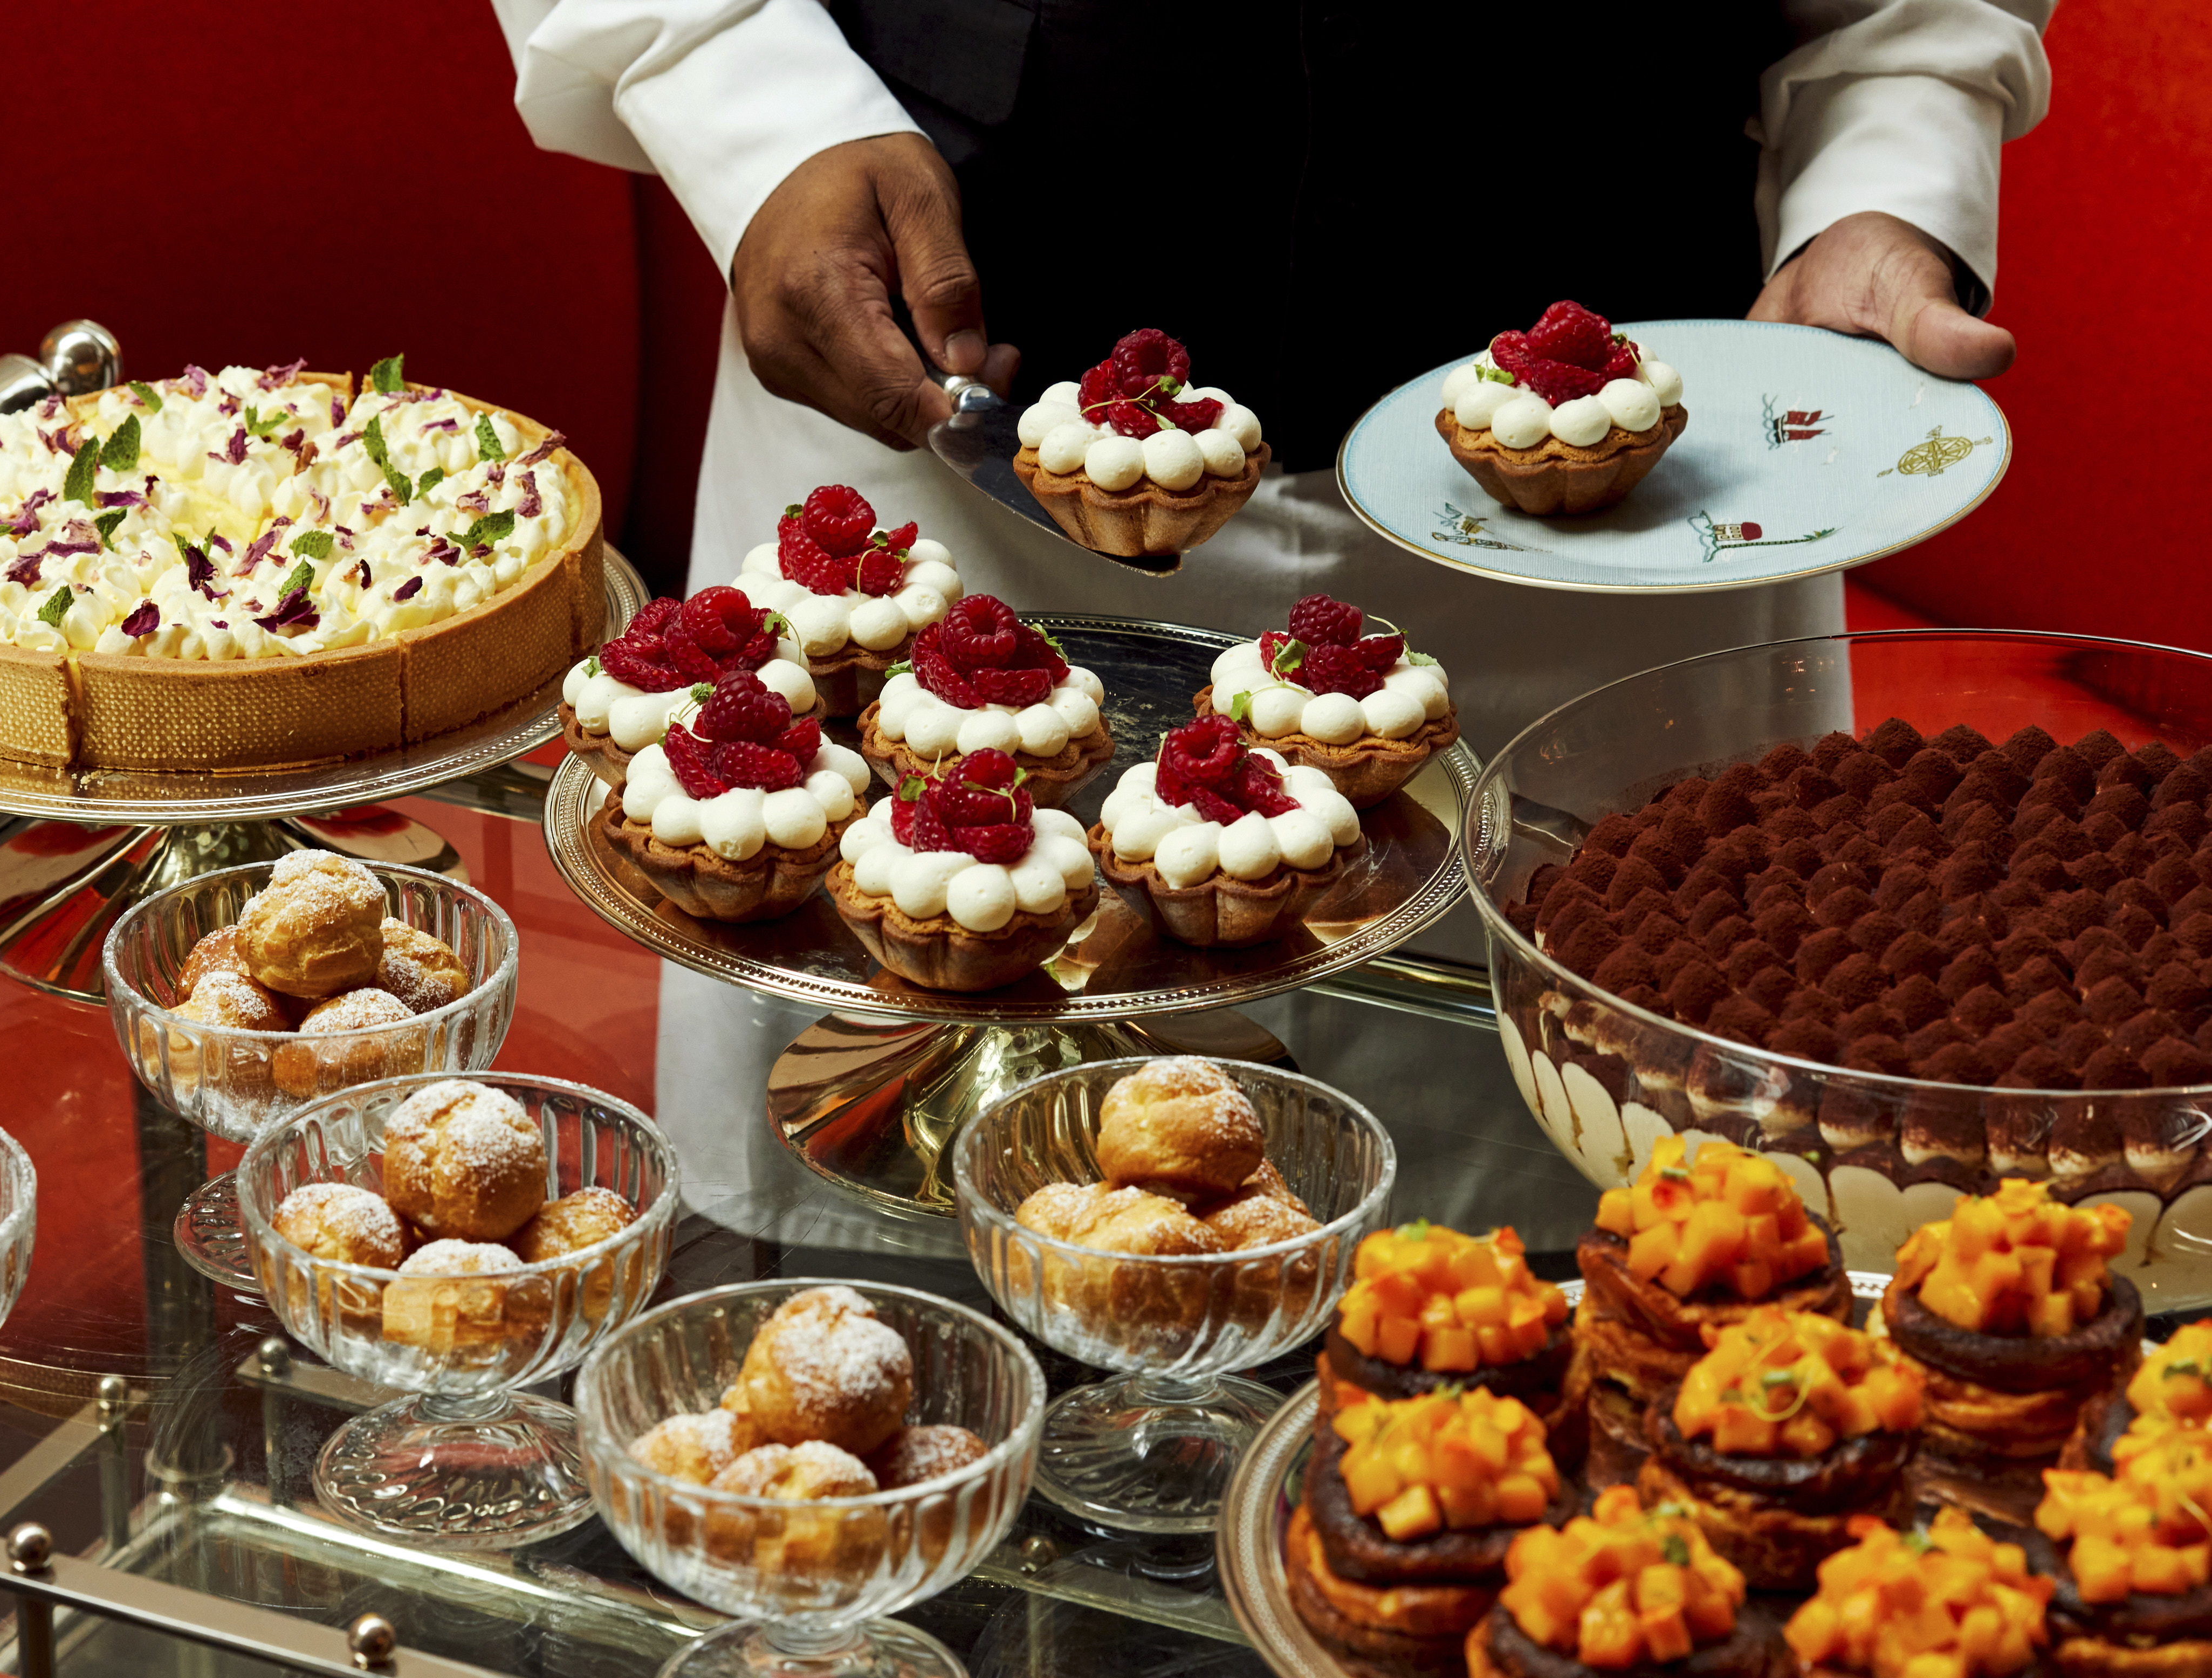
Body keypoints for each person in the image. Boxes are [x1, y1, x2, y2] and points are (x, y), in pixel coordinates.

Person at [490, 0, 2055, 1248]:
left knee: (1584, 1405)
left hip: (1629, 540)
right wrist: (747, 107)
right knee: (890, 1448)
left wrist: (1882, 178)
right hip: (942, 498)